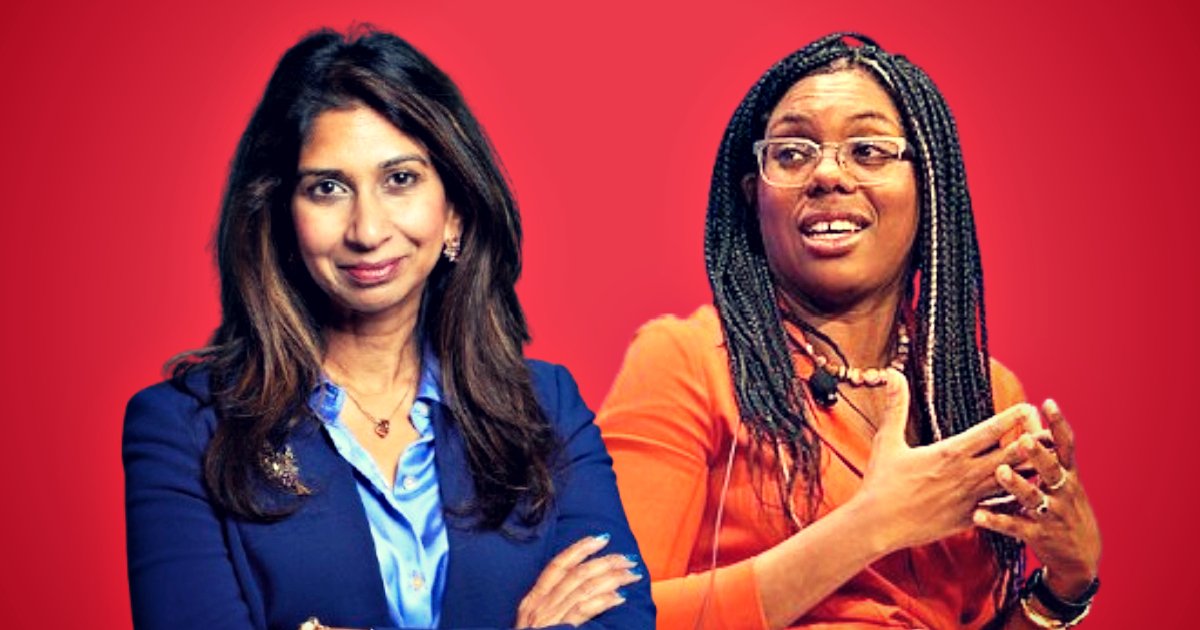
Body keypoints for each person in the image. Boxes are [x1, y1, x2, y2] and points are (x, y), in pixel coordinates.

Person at [123, 27, 652, 630]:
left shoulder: (546, 408)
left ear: (454, 208)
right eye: (328, 189)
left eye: (399, 179)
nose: (367, 229)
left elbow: (621, 616)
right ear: (281, 218)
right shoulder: (184, 430)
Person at [596, 33, 1100, 629]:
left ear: (929, 187)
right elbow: (605, 617)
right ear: (754, 195)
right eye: (791, 152)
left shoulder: (978, 395)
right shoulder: (689, 361)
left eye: (868, 150)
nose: (828, 174)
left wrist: (1066, 584)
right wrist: (871, 525)